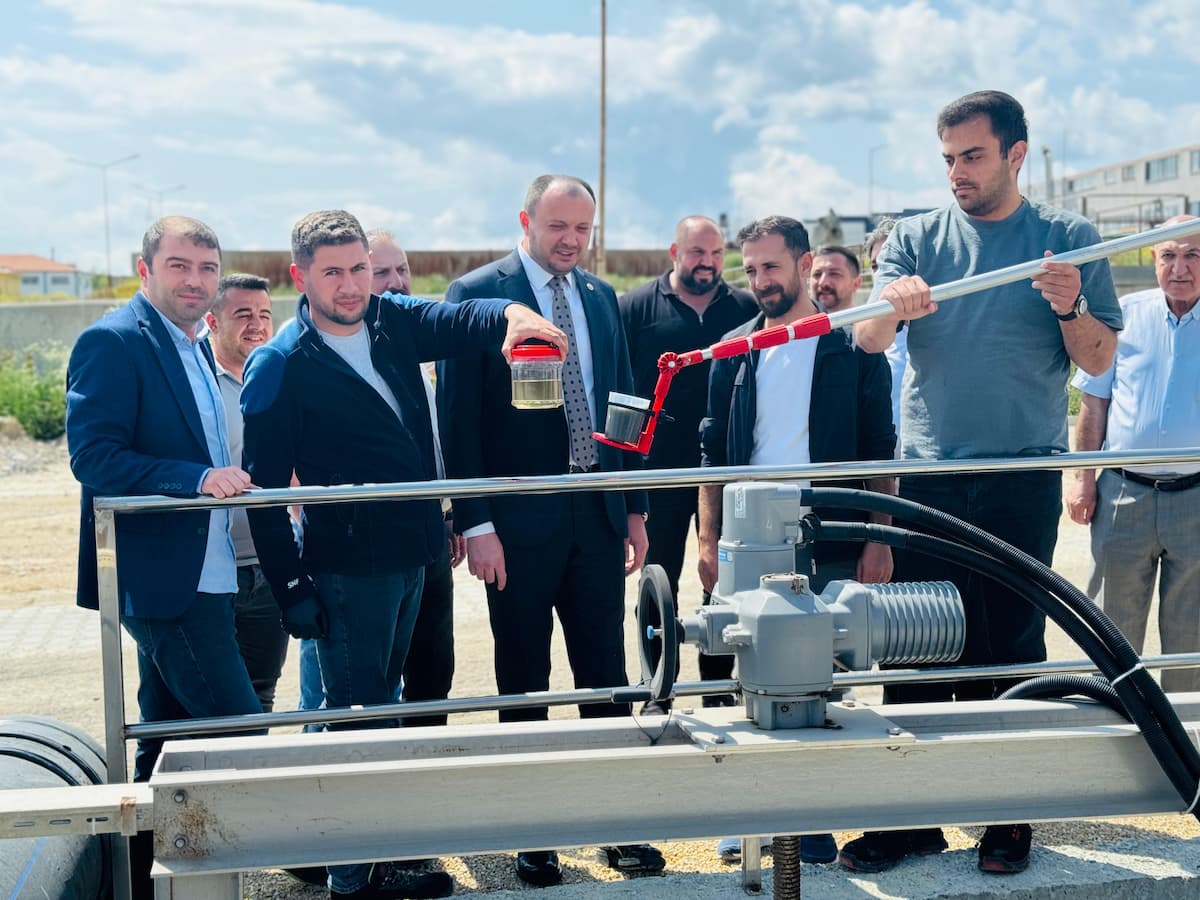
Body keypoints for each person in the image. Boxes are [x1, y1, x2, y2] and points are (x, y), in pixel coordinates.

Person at [241, 209, 564, 900]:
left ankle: (373, 857)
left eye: (359, 268)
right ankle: (349, 880)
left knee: (383, 714)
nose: (352, 285)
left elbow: (465, 317)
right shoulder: (280, 364)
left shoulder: (394, 321)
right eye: (333, 272)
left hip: (417, 556)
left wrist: (514, 315)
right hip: (348, 570)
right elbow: (265, 495)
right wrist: (291, 587)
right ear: (300, 276)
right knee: (353, 721)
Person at [848, 90, 1122, 876]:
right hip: (928, 478)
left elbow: (1099, 357)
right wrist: (892, 305)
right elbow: (867, 338)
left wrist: (1071, 306)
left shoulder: (1067, 239)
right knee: (915, 650)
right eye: (948, 158)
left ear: (1015, 154)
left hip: (1017, 476)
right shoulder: (915, 238)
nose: (957, 172)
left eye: (972, 155)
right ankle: (910, 819)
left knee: (1010, 647)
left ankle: (1008, 816)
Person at [437, 174, 664, 887]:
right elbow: (458, 418)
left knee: (606, 673)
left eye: (582, 229)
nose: (571, 240)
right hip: (515, 522)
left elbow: (622, 400)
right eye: (558, 226)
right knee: (523, 676)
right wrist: (475, 520)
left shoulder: (599, 296)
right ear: (526, 220)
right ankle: (532, 831)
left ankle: (616, 825)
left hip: (595, 512)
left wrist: (632, 505)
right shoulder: (477, 294)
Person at [66, 216, 263, 899]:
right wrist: (195, 478)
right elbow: (94, 458)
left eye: (207, 269)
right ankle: (319, 863)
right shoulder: (115, 341)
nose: (195, 281)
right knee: (243, 734)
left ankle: (136, 884)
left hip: (207, 572)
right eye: (180, 266)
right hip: (163, 581)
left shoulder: (195, 343)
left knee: (165, 741)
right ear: (144, 268)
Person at [697, 216, 896, 865]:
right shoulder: (733, 349)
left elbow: (880, 447)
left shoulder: (852, 344)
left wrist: (878, 538)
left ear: (805, 264)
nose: (760, 281)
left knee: (820, 687)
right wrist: (708, 539)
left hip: (828, 531)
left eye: (771, 267)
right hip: (750, 539)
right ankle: (747, 821)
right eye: (751, 269)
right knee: (748, 683)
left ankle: (811, 822)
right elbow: (712, 457)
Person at [618, 215, 757, 713]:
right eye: (698, 252)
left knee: (723, 583)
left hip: (725, 472)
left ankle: (718, 692)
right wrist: (625, 474)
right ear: (674, 252)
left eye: (717, 254)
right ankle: (658, 689)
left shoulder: (746, 308)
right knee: (659, 583)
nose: (708, 263)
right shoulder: (634, 307)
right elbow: (619, 388)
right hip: (661, 472)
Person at [1067, 215, 1200, 693]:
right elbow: (1094, 403)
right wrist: (1083, 480)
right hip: (1124, 494)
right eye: (1169, 255)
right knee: (1111, 630)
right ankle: (1113, 717)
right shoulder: (1125, 316)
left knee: (1191, 635)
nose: (1180, 268)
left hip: (1196, 498)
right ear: (1152, 258)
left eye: (1193, 255)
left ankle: (1185, 732)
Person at [370, 228, 463, 726]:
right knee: (370, 685)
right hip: (376, 550)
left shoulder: (417, 354)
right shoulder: (345, 353)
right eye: (380, 272)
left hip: (430, 538)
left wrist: (448, 513)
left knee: (433, 671)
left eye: (401, 269)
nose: (396, 281)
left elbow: (433, 443)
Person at [203, 273, 290, 713]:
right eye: (243, 314)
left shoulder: (279, 377)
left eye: (264, 314)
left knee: (261, 694)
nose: (257, 325)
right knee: (193, 702)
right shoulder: (196, 382)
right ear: (212, 321)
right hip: (210, 574)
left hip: (267, 565)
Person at [864, 218, 905, 444]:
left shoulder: (944, 330)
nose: (883, 274)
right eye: (875, 266)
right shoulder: (858, 339)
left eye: (892, 262)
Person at [809, 244, 862, 314]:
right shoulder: (796, 320)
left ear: (856, 284)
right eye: (817, 274)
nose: (823, 282)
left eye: (834, 274)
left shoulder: (870, 319)